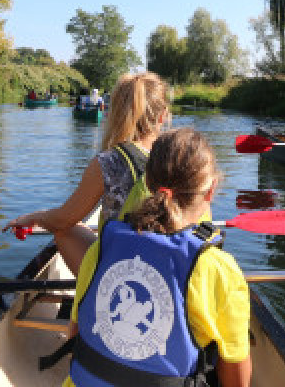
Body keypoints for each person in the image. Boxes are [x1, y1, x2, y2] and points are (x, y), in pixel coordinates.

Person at [64, 127, 252, 387]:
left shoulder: (103, 246)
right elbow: (236, 377)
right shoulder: (217, 267)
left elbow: (76, 336)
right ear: (211, 191)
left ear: (148, 182)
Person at [4, 72, 173, 273]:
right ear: (163, 115)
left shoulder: (109, 161)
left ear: (114, 112)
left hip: (123, 275)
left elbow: (62, 220)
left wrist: (35, 217)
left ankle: (92, 296)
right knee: (79, 227)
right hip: (169, 269)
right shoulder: (180, 160)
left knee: (65, 231)